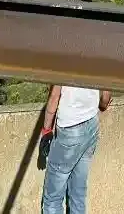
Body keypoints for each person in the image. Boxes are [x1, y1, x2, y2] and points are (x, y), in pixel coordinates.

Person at [40, 85, 111, 214]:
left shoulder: (62, 63)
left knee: (53, 199)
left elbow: (54, 97)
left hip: (69, 128)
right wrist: (103, 104)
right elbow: (106, 95)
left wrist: (46, 130)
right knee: (78, 193)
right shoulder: (101, 62)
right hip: (91, 124)